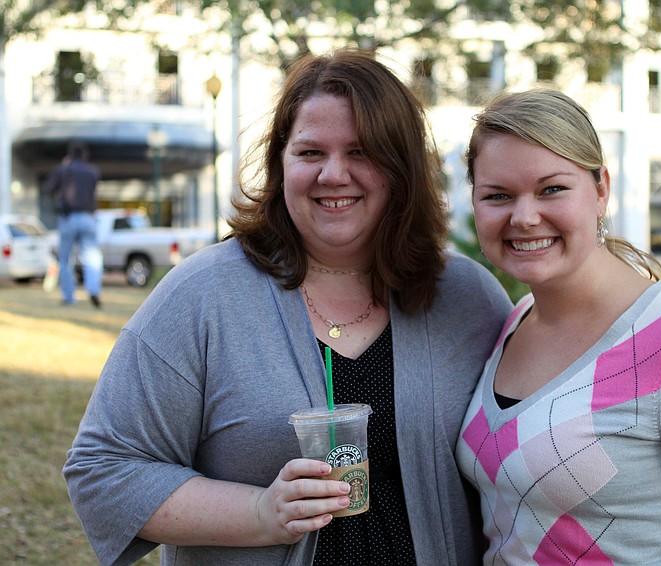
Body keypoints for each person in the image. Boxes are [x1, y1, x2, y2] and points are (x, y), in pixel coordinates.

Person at [63, 49, 512, 565]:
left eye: (362, 152)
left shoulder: (468, 299)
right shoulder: (203, 296)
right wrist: (259, 511)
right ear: (281, 162)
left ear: (402, 168)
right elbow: (103, 470)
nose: (333, 174)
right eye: (310, 152)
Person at [455, 89, 661, 565]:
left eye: (552, 189)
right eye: (498, 196)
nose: (525, 217)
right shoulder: (513, 322)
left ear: (600, 190)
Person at [45, 140, 103, 307]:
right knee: (92, 256)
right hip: (88, 217)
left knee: (65, 258)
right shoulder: (92, 171)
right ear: (85, 155)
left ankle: (69, 297)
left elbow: (50, 187)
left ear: (69, 154)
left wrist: (64, 167)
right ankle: (94, 290)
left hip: (68, 217)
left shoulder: (64, 169)